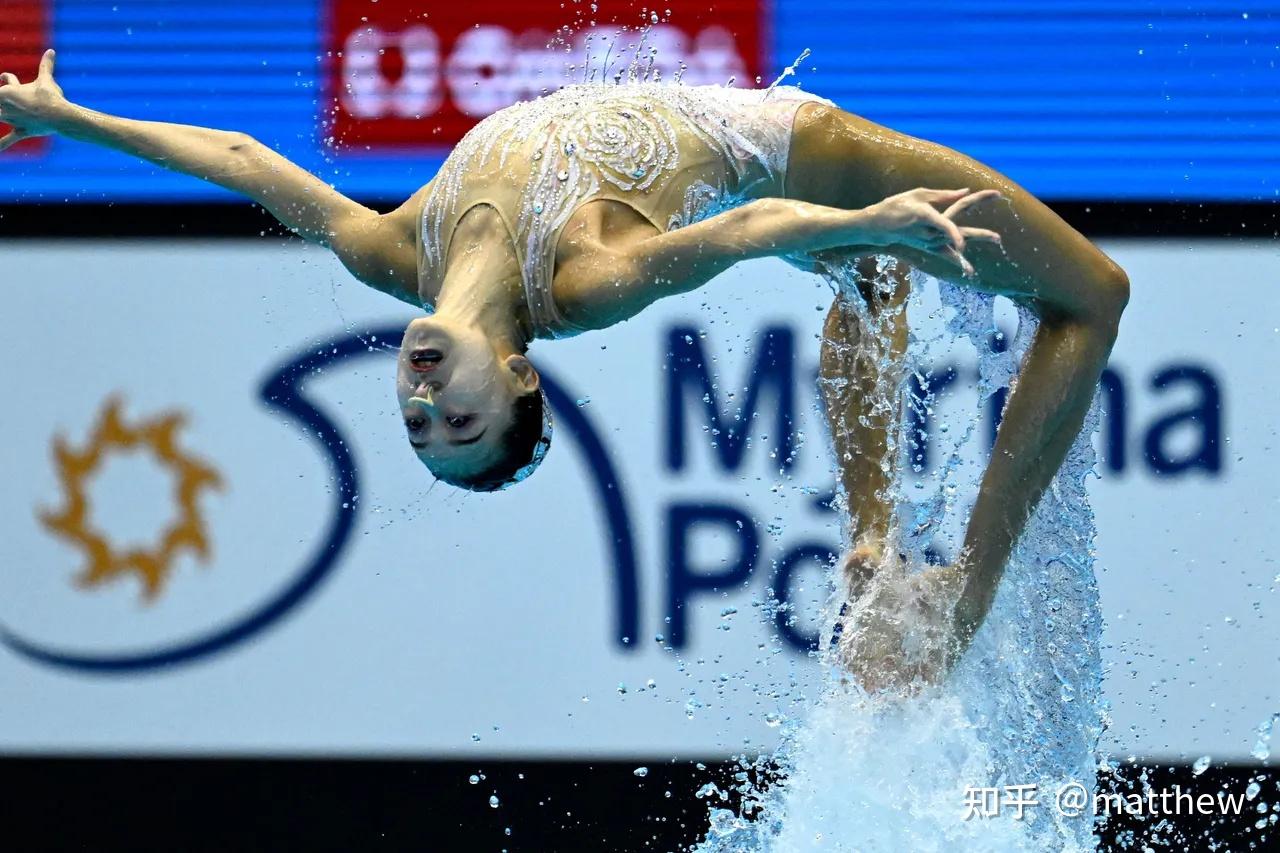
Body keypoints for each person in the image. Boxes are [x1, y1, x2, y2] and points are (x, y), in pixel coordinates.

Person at [0, 49, 1127, 682]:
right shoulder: (584, 281)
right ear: (522, 379)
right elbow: (739, 231)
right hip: (805, 154)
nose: (425, 400)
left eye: (419, 425)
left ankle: (873, 540)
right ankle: (962, 590)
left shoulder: (392, 253)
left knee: (867, 277)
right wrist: (867, 213)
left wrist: (71, 120)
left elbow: (246, 159)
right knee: (1088, 292)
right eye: (461, 422)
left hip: (803, 209)